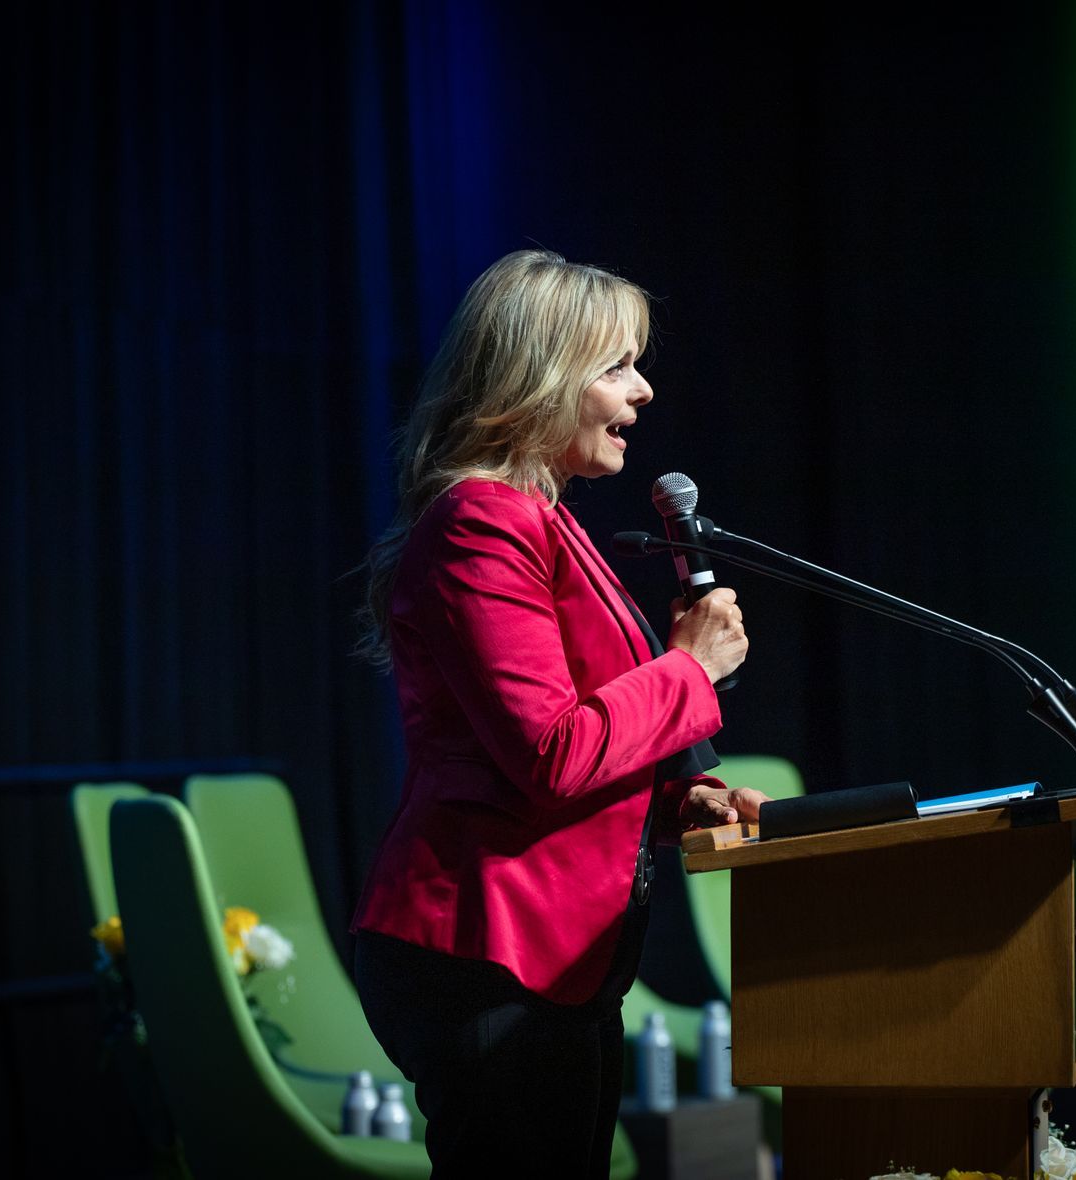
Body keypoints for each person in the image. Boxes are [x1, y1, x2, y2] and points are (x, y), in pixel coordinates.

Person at [350, 249, 764, 1177]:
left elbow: (556, 750)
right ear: (536, 379)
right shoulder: (479, 521)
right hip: (486, 951)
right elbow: (551, 753)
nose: (645, 391)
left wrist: (674, 800)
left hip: (559, 957)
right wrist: (689, 667)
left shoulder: (545, 519)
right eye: (616, 366)